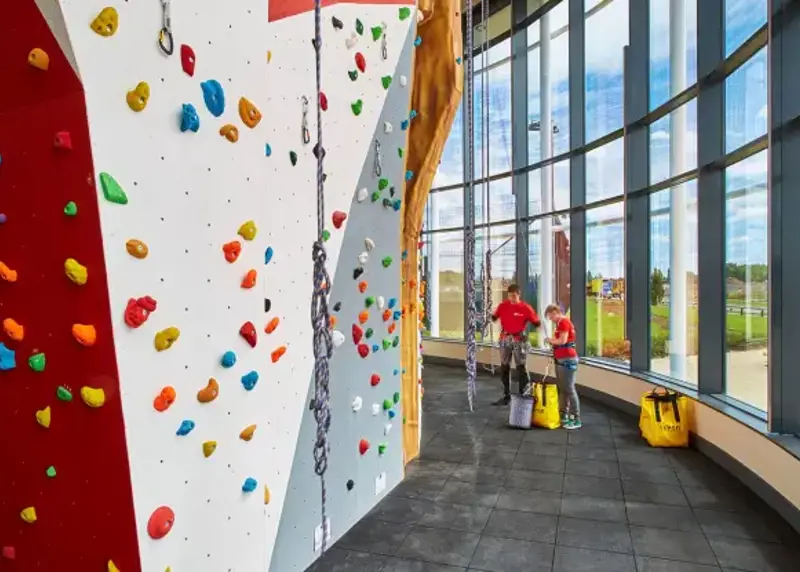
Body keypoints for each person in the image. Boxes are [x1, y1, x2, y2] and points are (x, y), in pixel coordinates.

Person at [490, 284, 541, 405]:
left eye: (514, 295)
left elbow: (536, 322)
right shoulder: (503, 306)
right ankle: (506, 395)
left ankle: (522, 395)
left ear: (519, 294)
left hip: (519, 339)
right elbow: (494, 318)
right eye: (510, 296)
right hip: (505, 338)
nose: (512, 298)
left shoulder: (526, 308)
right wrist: (490, 313)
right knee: (504, 366)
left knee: (521, 367)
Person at [544, 304, 581, 429]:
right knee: (563, 388)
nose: (551, 319)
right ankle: (564, 414)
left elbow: (562, 341)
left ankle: (576, 418)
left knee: (569, 388)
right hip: (561, 359)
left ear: (555, 312)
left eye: (550, 317)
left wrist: (550, 340)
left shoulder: (564, 323)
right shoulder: (560, 324)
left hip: (567, 359)